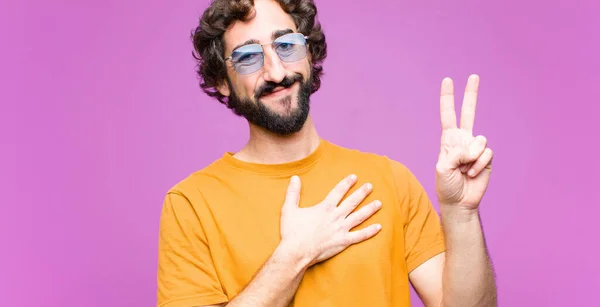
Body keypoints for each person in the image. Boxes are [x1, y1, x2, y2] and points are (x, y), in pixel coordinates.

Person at [156, 0, 497, 306]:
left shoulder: (390, 180)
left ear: (309, 54)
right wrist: (294, 256)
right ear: (222, 81)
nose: (276, 72)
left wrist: (461, 214)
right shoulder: (191, 204)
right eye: (248, 57)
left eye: (286, 45)